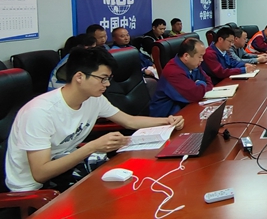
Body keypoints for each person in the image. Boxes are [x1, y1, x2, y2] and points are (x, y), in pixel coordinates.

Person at [5, 47, 184, 192]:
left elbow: (129, 121)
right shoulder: (40, 112)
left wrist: (167, 121)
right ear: (79, 77)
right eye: (103, 79)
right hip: (34, 186)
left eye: (108, 79)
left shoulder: (93, 99)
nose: (107, 84)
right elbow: (40, 173)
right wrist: (93, 147)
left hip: (65, 167)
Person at [149, 38, 213, 117]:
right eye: (200, 57)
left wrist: (199, 85)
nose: (202, 60)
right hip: (166, 116)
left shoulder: (193, 65)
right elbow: (196, 95)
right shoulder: (173, 72)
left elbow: (209, 82)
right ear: (186, 56)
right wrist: (201, 83)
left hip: (184, 108)